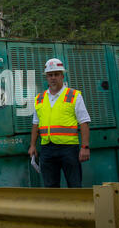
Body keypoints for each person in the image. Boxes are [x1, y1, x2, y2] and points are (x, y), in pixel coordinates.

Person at [28, 58, 91, 188]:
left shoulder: (73, 95)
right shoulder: (39, 98)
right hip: (47, 149)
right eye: (50, 75)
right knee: (51, 187)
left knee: (74, 185)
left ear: (62, 76)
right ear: (46, 77)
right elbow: (36, 124)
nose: (53, 78)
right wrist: (32, 145)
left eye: (56, 74)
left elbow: (84, 122)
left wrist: (85, 147)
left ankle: (77, 209)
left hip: (69, 149)